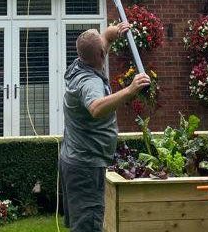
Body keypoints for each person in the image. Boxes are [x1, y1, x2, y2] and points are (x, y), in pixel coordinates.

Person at [59, 22, 151, 231]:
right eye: (104, 47)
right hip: (85, 167)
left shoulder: (80, 64)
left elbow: (98, 52)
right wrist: (130, 90)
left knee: (83, 224)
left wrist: (109, 36)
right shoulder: (90, 83)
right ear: (100, 54)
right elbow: (95, 107)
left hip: (76, 161)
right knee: (88, 226)